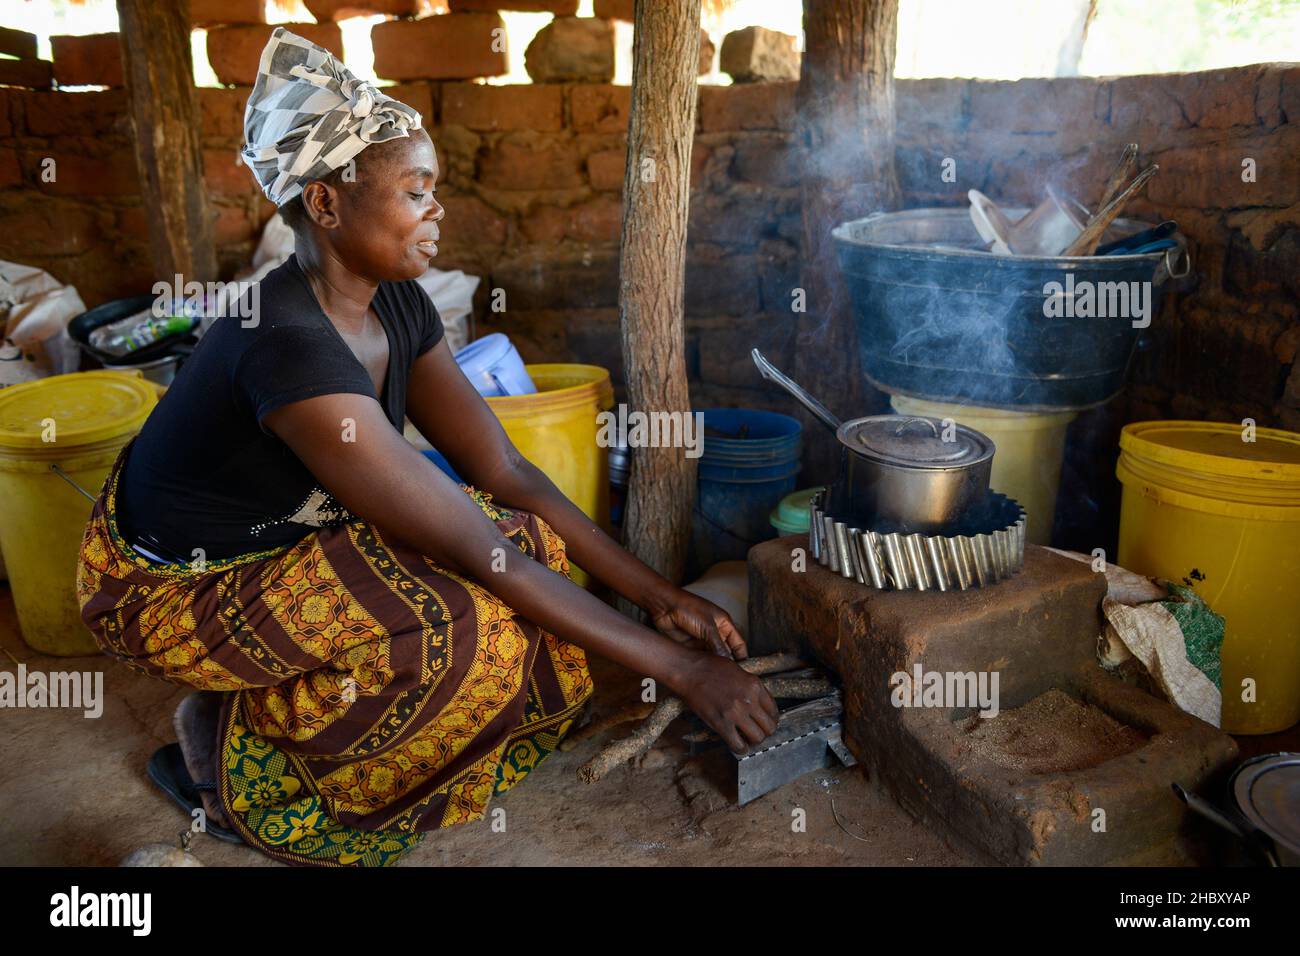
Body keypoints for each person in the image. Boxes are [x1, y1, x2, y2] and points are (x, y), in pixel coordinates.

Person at [76, 28, 777, 867]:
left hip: (278, 547)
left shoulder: (395, 303)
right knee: (465, 630)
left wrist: (658, 596)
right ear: (327, 205)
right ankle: (237, 764)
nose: (437, 211)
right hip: (168, 586)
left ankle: (264, 704)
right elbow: (479, 552)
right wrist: (683, 670)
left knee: (537, 543)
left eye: (433, 189)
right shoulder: (288, 343)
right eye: (416, 191)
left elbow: (504, 472)